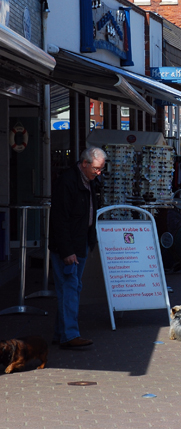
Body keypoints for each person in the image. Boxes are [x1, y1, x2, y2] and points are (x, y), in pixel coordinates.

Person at [49, 147, 106, 349]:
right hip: (69, 245)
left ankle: (61, 333)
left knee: (71, 287)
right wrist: (67, 251)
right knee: (70, 286)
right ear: (84, 163)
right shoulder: (68, 182)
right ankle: (70, 334)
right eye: (97, 168)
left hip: (79, 241)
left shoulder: (87, 181)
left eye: (101, 169)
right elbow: (60, 220)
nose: (99, 173)